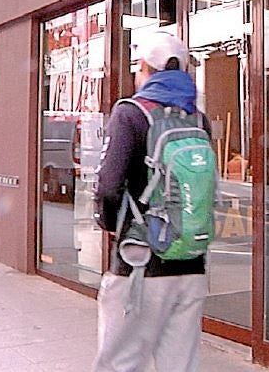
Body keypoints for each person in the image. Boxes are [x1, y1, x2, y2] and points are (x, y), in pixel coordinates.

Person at [92, 31, 210, 372]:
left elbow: (108, 187)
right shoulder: (197, 119)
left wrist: (112, 226)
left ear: (143, 67)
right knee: (180, 365)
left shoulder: (130, 113)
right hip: (191, 264)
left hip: (139, 264)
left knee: (121, 364)